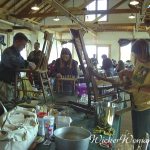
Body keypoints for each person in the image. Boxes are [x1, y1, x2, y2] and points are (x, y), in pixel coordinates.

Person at [119, 39, 150, 150]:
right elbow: (138, 76)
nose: (136, 57)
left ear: (145, 52)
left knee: (144, 138)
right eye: (135, 54)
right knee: (137, 136)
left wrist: (137, 88)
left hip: (146, 107)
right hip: (136, 102)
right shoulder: (140, 60)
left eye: (138, 54)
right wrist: (127, 72)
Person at [0, 32, 36, 101]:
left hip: (13, 84)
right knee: (6, 107)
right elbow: (15, 62)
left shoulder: (17, 53)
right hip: (5, 84)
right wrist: (28, 63)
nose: (24, 47)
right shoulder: (8, 52)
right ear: (17, 42)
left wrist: (29, 64)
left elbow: (22, 62)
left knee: (12, 103)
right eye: (23, 44)